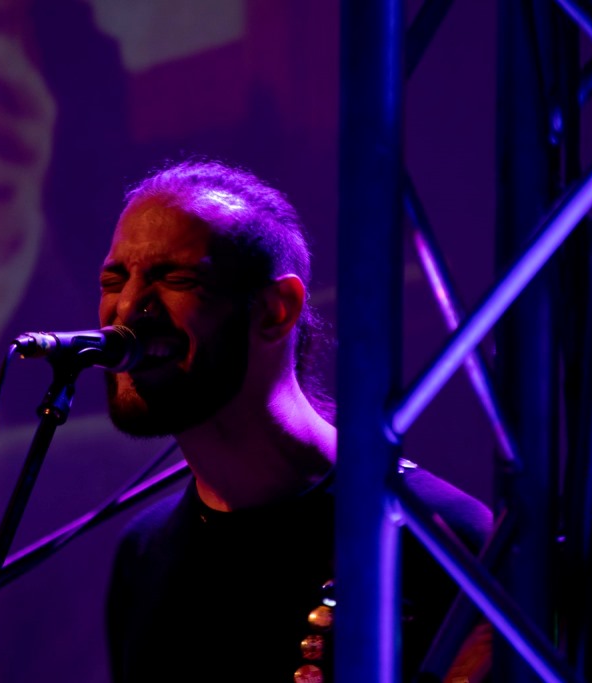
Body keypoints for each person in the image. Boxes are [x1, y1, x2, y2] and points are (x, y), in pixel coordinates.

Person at [101, 160, 493, 682]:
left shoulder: (440, 536)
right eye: (113, 280)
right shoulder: (143, 554)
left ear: (275, 310)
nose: (127, 309)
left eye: (175, 278)